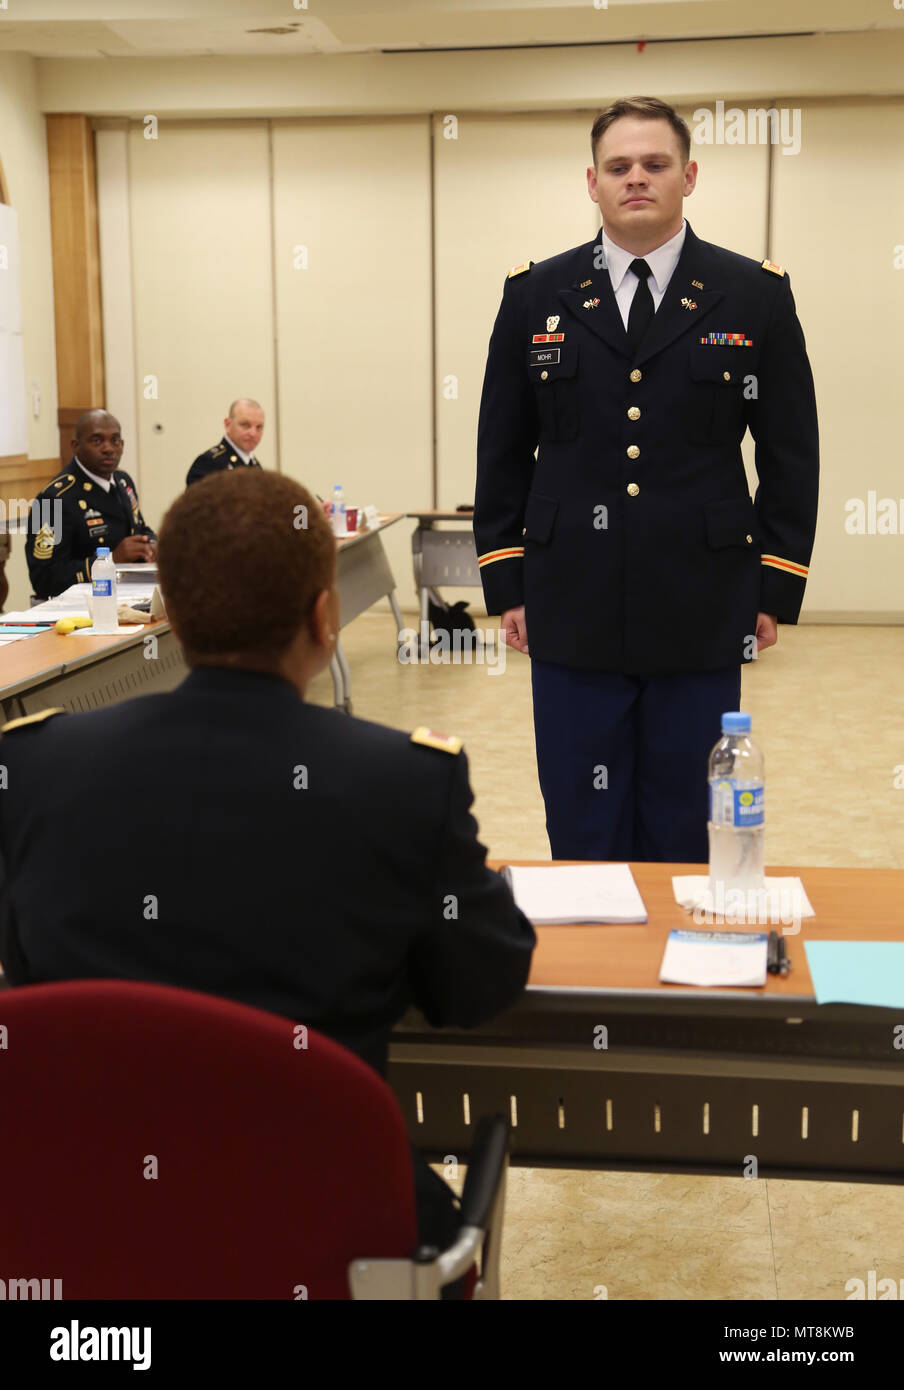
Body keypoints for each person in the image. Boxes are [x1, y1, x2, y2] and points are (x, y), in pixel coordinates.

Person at [0, 468, 535, 1262]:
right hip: (325, 1241)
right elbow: (480, 986)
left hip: (96, 1241)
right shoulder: (400, 782)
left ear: (170, 615)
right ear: (325, 618)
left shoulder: (34, 770)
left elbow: (28, 975)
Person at [474, 95, 819, 863]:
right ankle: (594, 979)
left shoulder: (753, 293)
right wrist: (508, 583)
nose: (637, 178)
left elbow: (791, 453)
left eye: (655, 164)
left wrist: (773, 586)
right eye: (618, 166)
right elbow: (502, 448)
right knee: (581, 812)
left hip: (702, 600)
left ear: (688, 176)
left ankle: (678, 971)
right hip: (570, 600)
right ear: (591, 182)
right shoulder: (535, 295)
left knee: (683, 819)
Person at [26, 409, 156, 600]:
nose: (108, 448)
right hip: (80, 609)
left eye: (115, 440)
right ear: (75, 446)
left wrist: (152, 544)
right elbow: (44, 579)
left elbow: (140, 529)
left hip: (129, 596)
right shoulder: (52, 499)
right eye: (97, 440)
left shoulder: (123, 481)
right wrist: (109, 560)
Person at [186, 398, 265, 486]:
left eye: (259, 427)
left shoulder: (254, 465)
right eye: (245, 425)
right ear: (227, 425)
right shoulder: (209, 462)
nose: (253, 433)